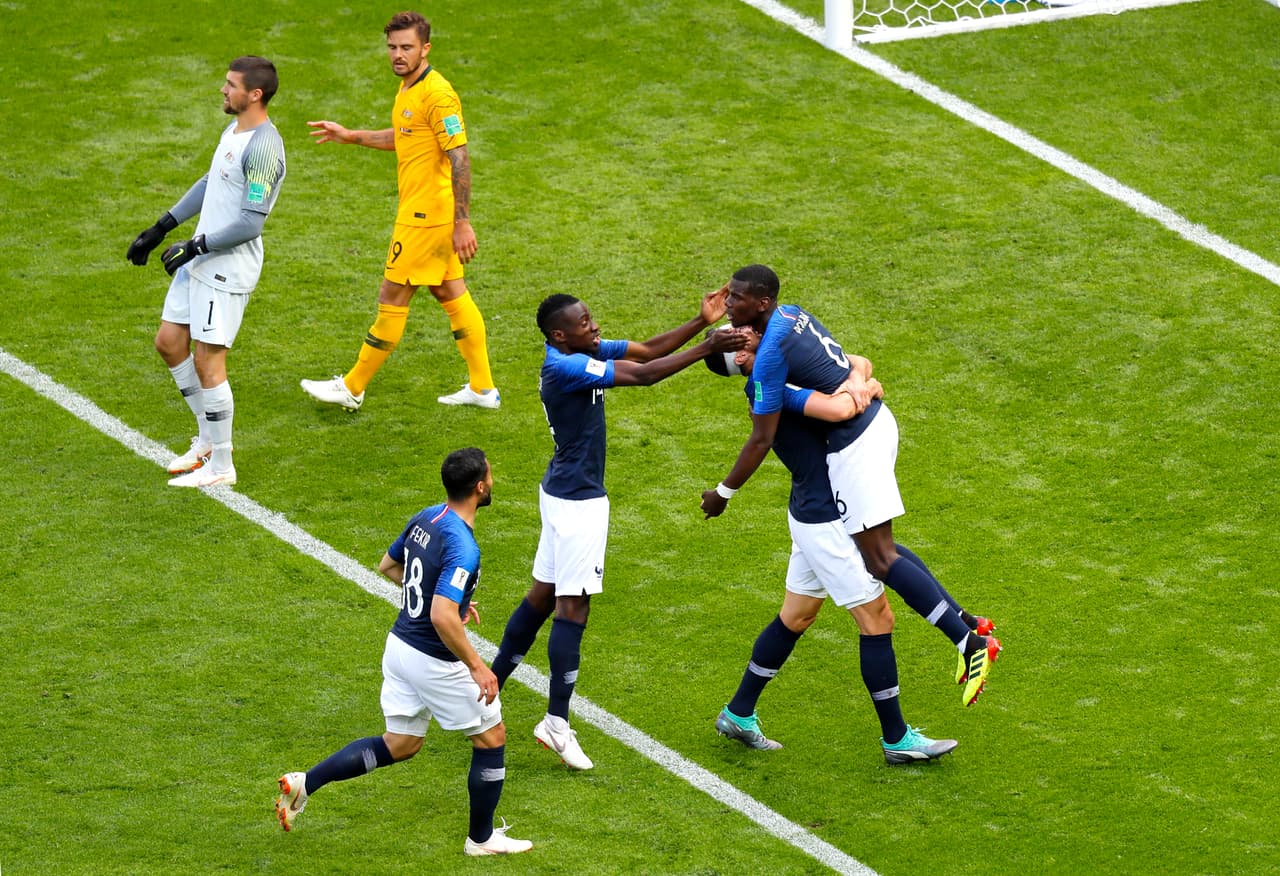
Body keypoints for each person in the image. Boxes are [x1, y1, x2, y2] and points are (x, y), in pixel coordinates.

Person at [702, 266, 999, 709]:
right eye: (735, 339)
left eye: (737, 325)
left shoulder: (778, 361)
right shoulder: (774, 372)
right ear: (739, 361)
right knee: (824, 610)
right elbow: (844, 394)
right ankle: (744, 713)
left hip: (820, 505)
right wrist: (859, 387)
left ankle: (963, 643)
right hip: (820, 514)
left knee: (874, 578)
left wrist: (857, 382)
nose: (736, 326)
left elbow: (851, 379)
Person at [487, 288, 747, 771]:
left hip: (561, 492)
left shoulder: (577, 350)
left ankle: (487, 691)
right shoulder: (564, 367)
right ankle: (556, 723)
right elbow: (646, 377)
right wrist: (708, 348)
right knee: (573, 606)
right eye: (585, 322)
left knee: (542, 595)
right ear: (560, 335)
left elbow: (647, 352)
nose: (596, 326)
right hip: (578, 503)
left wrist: (698, 321)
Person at [274, 448, 532, 856]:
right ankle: (480, 840)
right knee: (491, 737)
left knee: (401, 744)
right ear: (480, 487)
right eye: (491, 475)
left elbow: (388, 566)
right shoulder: (464, 547)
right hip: (432, 660)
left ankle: (307, 782)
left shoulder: (426, 518)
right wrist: (479, 666)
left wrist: (452, 606)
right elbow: (442, 616)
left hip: (399, 649)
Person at [300, 10, 498, 412]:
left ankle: (353, 386)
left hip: (426, 217)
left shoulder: (437, 94)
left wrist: (463, 222)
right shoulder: (410, 87)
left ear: (425, 48)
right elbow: (407, 137)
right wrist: (352, 136)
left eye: (406, 47)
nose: (397, 54)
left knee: (393, 293)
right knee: (449, 292)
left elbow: (459, 156)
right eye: (392, 47)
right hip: (425, 212)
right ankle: (483, 388)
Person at [126, 56, 286, 487]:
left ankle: (222, 466)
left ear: (255, 94)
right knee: (169, 341)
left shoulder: (265, 148)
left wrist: (194, 244)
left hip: (226, 267)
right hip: (199, 257)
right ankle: (207, 439)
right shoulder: (234, 131)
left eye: (231, 85)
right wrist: (161, 227)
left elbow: (251, 221)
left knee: (208, 361)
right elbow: (210, 182)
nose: (223, 90)